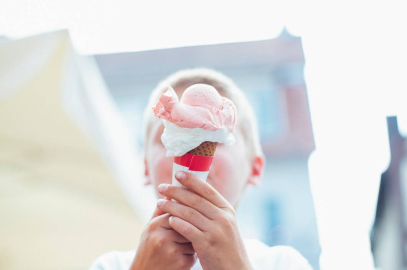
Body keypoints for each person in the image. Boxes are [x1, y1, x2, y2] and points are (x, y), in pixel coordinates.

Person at [90, 68, 313, 270]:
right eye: (170, 137)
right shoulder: (111, 266)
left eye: (215, 139)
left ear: (254, 169)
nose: (188, 149)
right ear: (146, 168)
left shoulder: (283, 263)